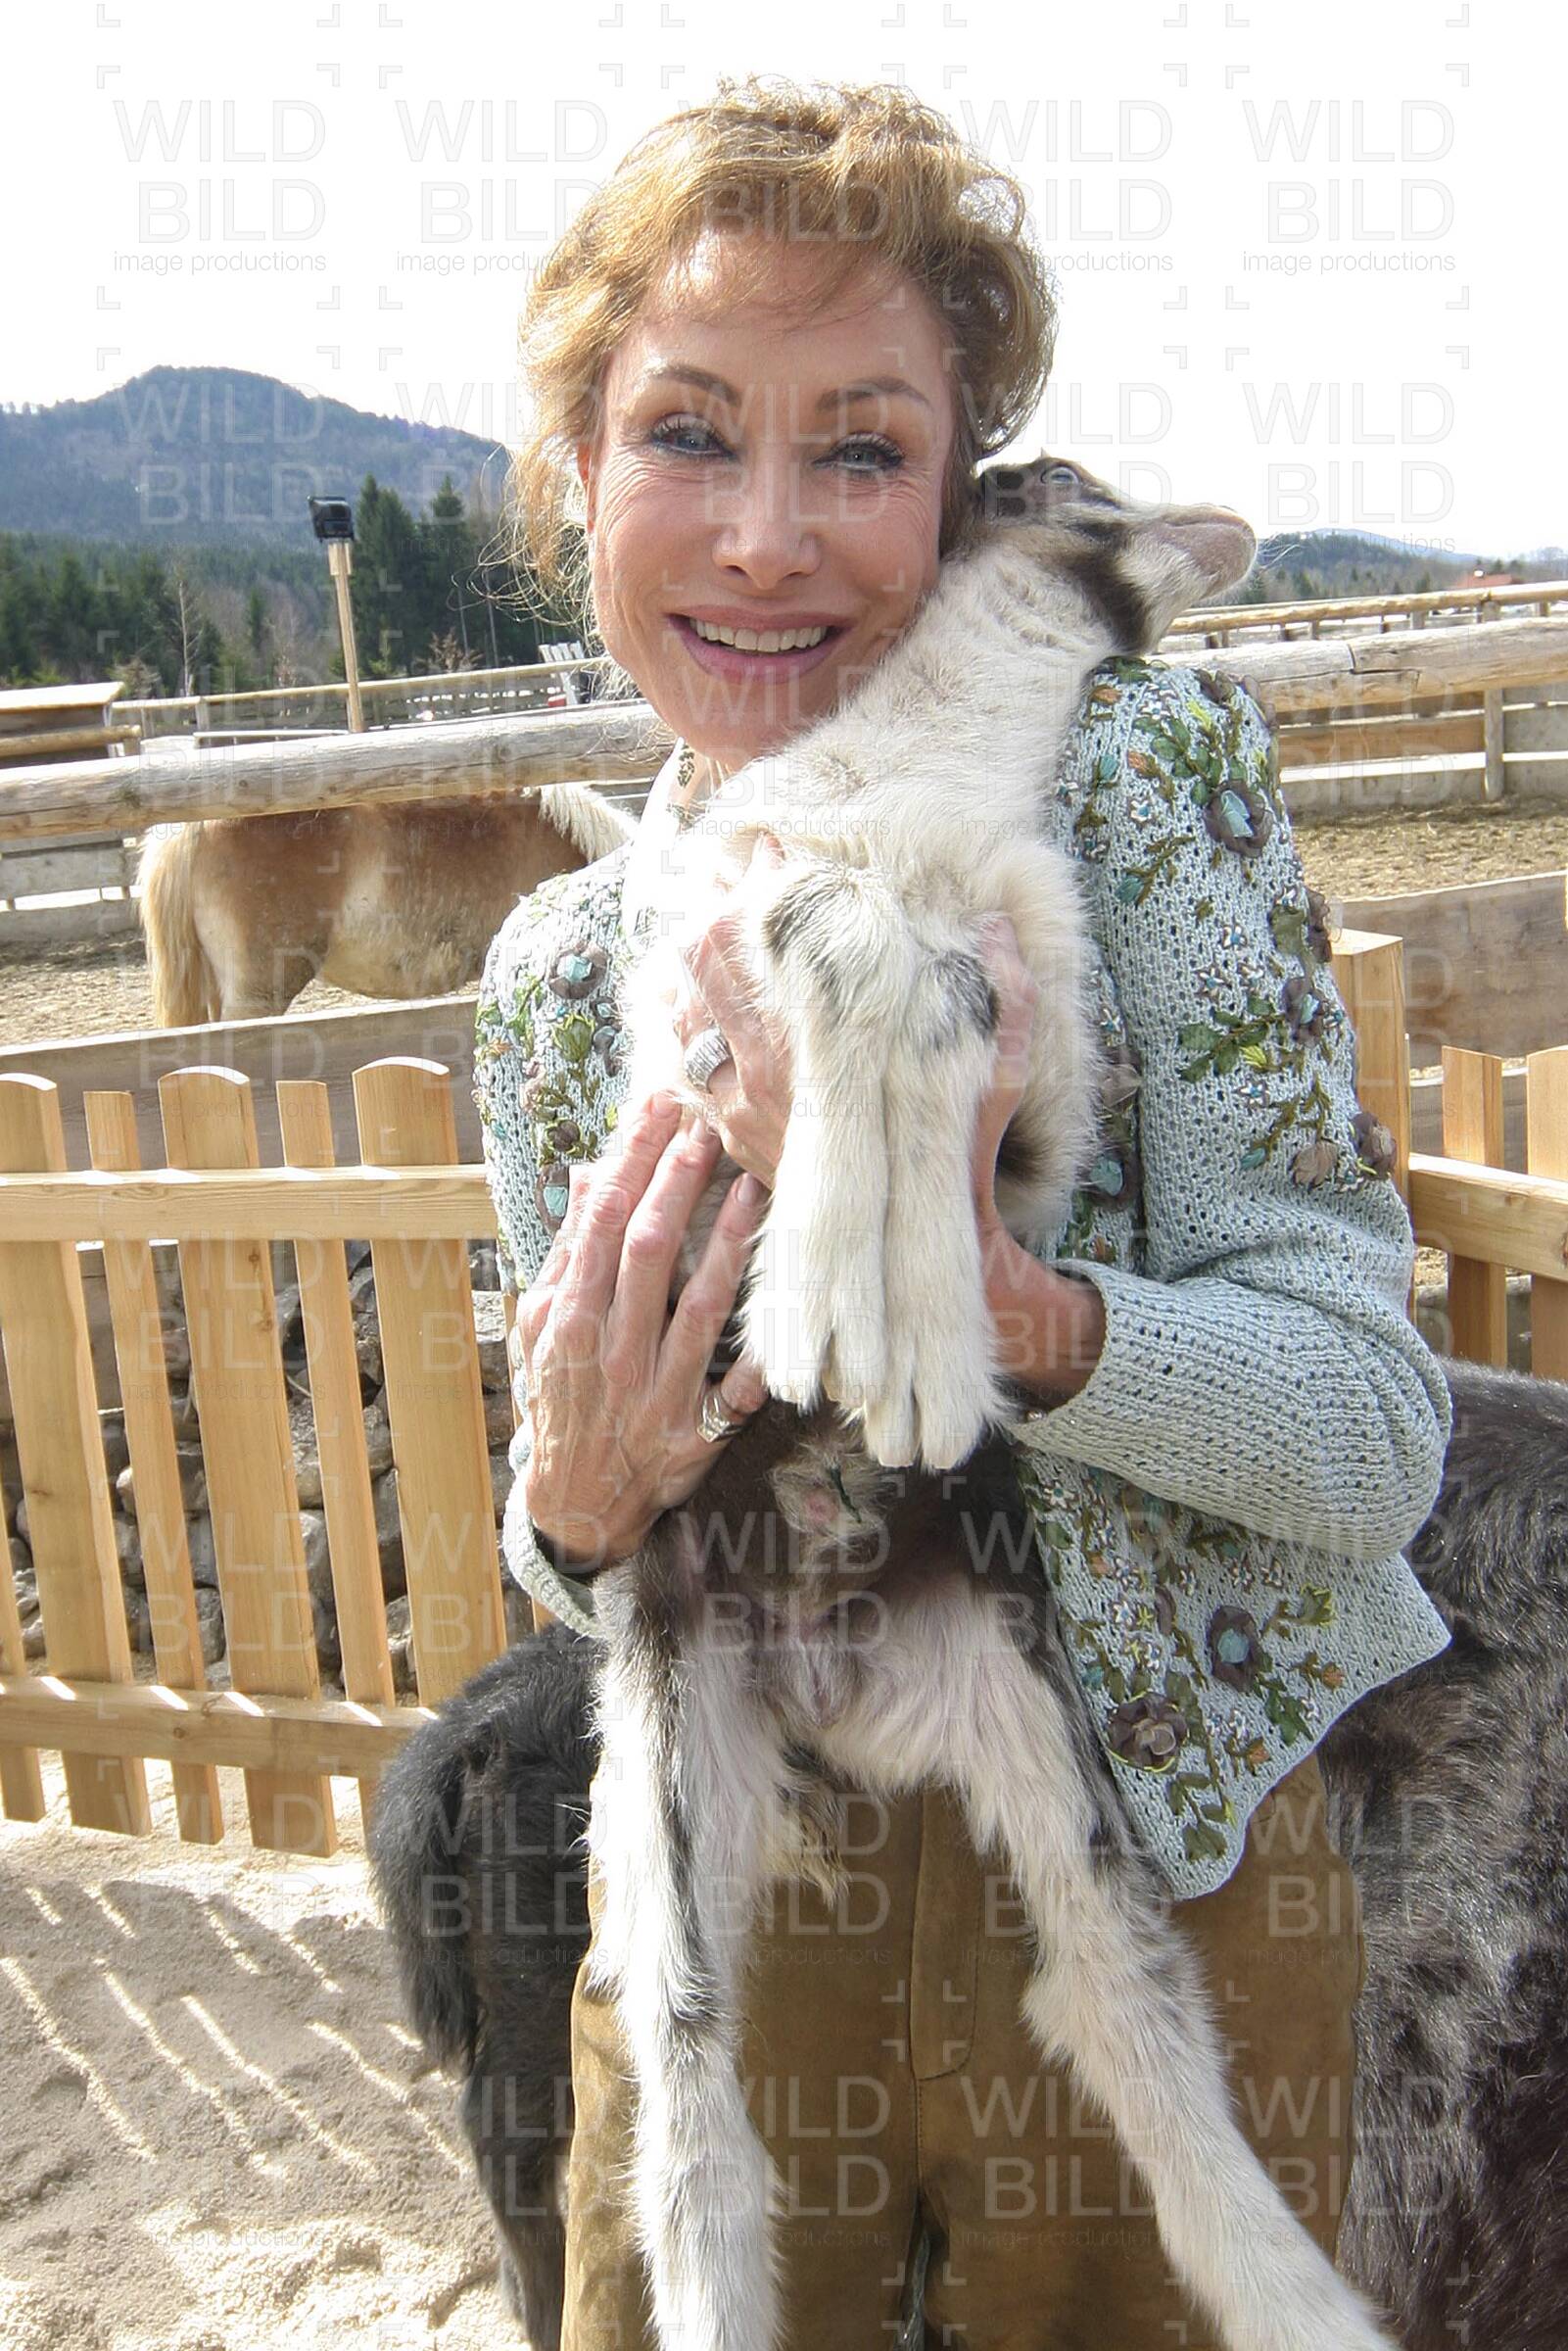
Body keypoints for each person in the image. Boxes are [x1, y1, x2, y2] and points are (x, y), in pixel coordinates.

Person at [473, 74, 1453, 2350]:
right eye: (689, 434)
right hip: (739, 1929)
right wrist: (575, 1502)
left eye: (862, 450)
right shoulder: (556, 982)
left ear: (957, 488)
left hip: (1161, 1893)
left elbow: (1371, 1436)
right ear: (579, 475)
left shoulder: (1137, 792)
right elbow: (574, 1560)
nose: (766, 540)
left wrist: (1015, 1309)